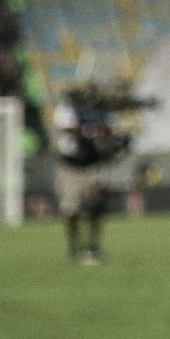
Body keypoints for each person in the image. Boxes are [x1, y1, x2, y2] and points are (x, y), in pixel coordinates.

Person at [50, 84, 129, 265]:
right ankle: (74, 247)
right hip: (72, 166)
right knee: (71, 209)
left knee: (97, 206)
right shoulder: (68, 108)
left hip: (94, 164)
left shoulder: (103, 110)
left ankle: (93, 245)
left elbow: (111, 129)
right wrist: (89, 132)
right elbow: (65, 128)